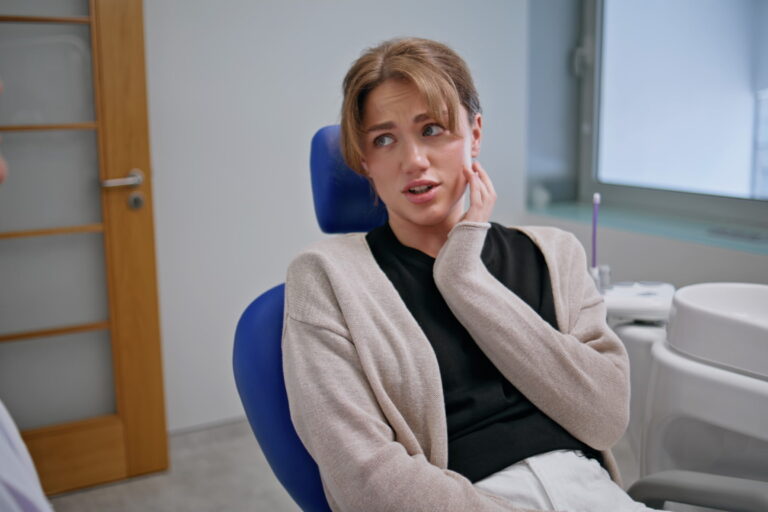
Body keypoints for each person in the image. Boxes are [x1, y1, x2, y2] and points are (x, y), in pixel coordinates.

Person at [282, 37, 665, 512]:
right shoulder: (326, 279)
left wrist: (464, 276)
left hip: (590, 491)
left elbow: (605, 418)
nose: (414, 160)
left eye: (433, 129)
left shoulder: (552, 253)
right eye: (385, 139)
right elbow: (362, 477)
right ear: (364, 159)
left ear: (475, 134)